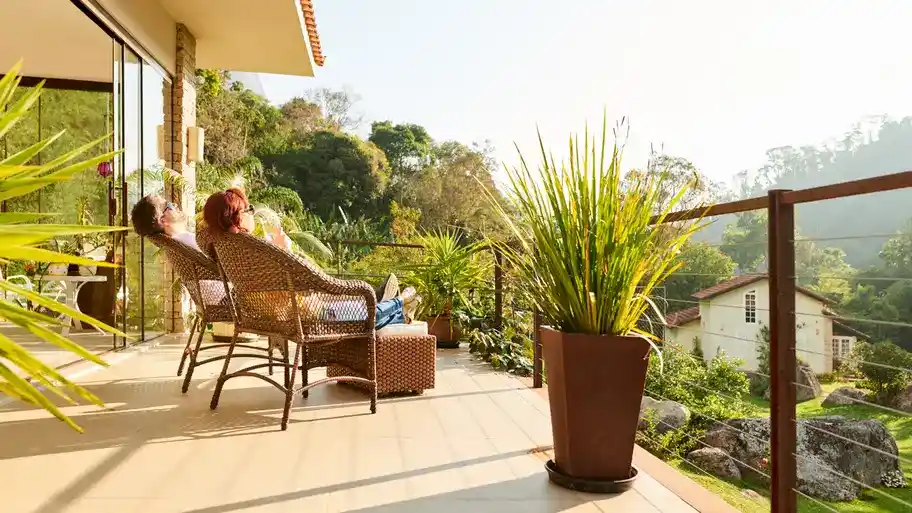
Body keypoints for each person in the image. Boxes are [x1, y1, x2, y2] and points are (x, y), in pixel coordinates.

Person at [201, 188, 418, 329]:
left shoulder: (222, 246)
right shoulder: (254, 249)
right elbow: (304, 282)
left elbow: (202, 235)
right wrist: (285, 251)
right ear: (237, 216)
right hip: (303, 314)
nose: (252, 213)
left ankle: (397, 311)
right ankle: (400, 302)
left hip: (267, 313)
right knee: (368, 314)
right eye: (249, 209)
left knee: (366, 310)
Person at [130, 195, 197, 247]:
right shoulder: (190, 241)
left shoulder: (177, 245)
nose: (175, 205)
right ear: (162, 220)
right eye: (169, 205)